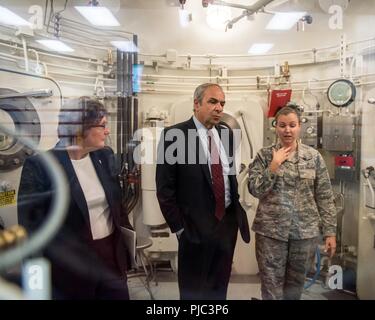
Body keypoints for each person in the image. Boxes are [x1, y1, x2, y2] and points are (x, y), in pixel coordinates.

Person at [18, 96, 133, 299]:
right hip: (70, 269)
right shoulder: (42, 166)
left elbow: (117, 206)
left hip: (111, 261)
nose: (107, 131)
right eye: (102, 126)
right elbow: (30, 230)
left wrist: (126, 248)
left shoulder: (105, 156)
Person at [156, 83, 250, 300]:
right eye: (213, 101)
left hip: (226, 225)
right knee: (193, 291)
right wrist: (180, 229)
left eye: (222, 103)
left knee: (219, 289)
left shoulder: (226, 135)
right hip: (193, 229)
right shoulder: (174, 135)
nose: (219, 108)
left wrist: (233, 216)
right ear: (196, 104)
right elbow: (164, 189)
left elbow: (228, 177)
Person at [248, 105, 337, 300]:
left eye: (292, 125)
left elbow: (324, 196)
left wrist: (330, 232)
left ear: (299, 127)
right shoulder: (264, 156)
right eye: (282, 125)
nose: (287, 130)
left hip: (304, 234)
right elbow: (254, 189)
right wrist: (273, 166)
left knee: (295, 288)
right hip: (271, 234)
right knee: (271, 288)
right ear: (275, 127)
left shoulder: (313, 157)